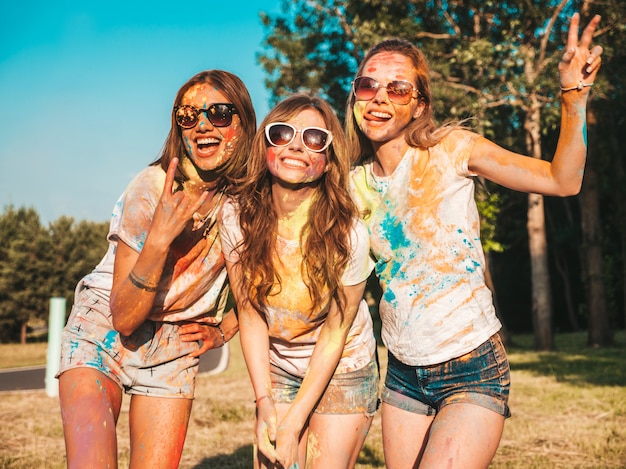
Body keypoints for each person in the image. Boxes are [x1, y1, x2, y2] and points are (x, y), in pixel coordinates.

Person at [345, 13, 603, 469]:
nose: (380, 98)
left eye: (398, 88)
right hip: (402, 372)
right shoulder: (350, 185)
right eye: (368, 85)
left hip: (472, 364)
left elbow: (563, 180)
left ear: (419, 104)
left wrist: (573, 97)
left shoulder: (452, 150)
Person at [57, 70, 256, 468]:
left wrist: (224, 328)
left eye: (218, 113)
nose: (201, 124)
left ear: (243, 122)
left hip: (174, 343)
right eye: (187, 115)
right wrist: (160, 240)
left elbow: (260, 284)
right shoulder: (150, 189)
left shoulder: (249, 202)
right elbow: (125, 317)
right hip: (104, 330)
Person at [219, 93, 379, 469]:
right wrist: (265, 404)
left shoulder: (349, 233)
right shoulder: (236, 217)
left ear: (327, 162)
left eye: (313, 138)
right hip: (278, 366)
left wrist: (294, 422)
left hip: (344, 365)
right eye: (282, 133)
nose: (295, 145)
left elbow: (336, 331)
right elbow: (250, 312)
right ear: (265, 146)